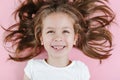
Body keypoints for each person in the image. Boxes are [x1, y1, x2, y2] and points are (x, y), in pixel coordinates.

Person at [3, 0, 115, 80]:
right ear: (41, 38)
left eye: (65, 31)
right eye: (50, 31)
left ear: (75, 38)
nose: (58, 38)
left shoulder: (80, 70)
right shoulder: (33, 68)